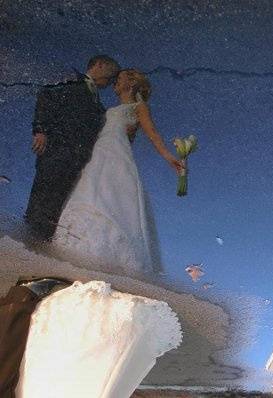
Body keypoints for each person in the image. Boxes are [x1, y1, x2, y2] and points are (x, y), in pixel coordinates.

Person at [51, 69, 184, 275]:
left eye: (120, 78)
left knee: (111, 197)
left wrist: (168, 156)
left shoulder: (138, 107)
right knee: (88, 192)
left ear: (130, 83)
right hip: (97, 152)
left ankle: (112, 259)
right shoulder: (110, 109)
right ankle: (78, 250)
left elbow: (152, 133)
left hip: (116, 154)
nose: (115, 82)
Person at [24, 55, 121, 241]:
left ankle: (43, 242)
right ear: (99, 65)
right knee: (43, 198)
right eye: (111, 74)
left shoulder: (98, 103)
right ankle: (30, 240)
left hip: (77, 159)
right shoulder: (70, 80)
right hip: (56, 151)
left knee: (58, 203)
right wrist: (40, 130)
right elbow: (47, 97)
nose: (111, 81)